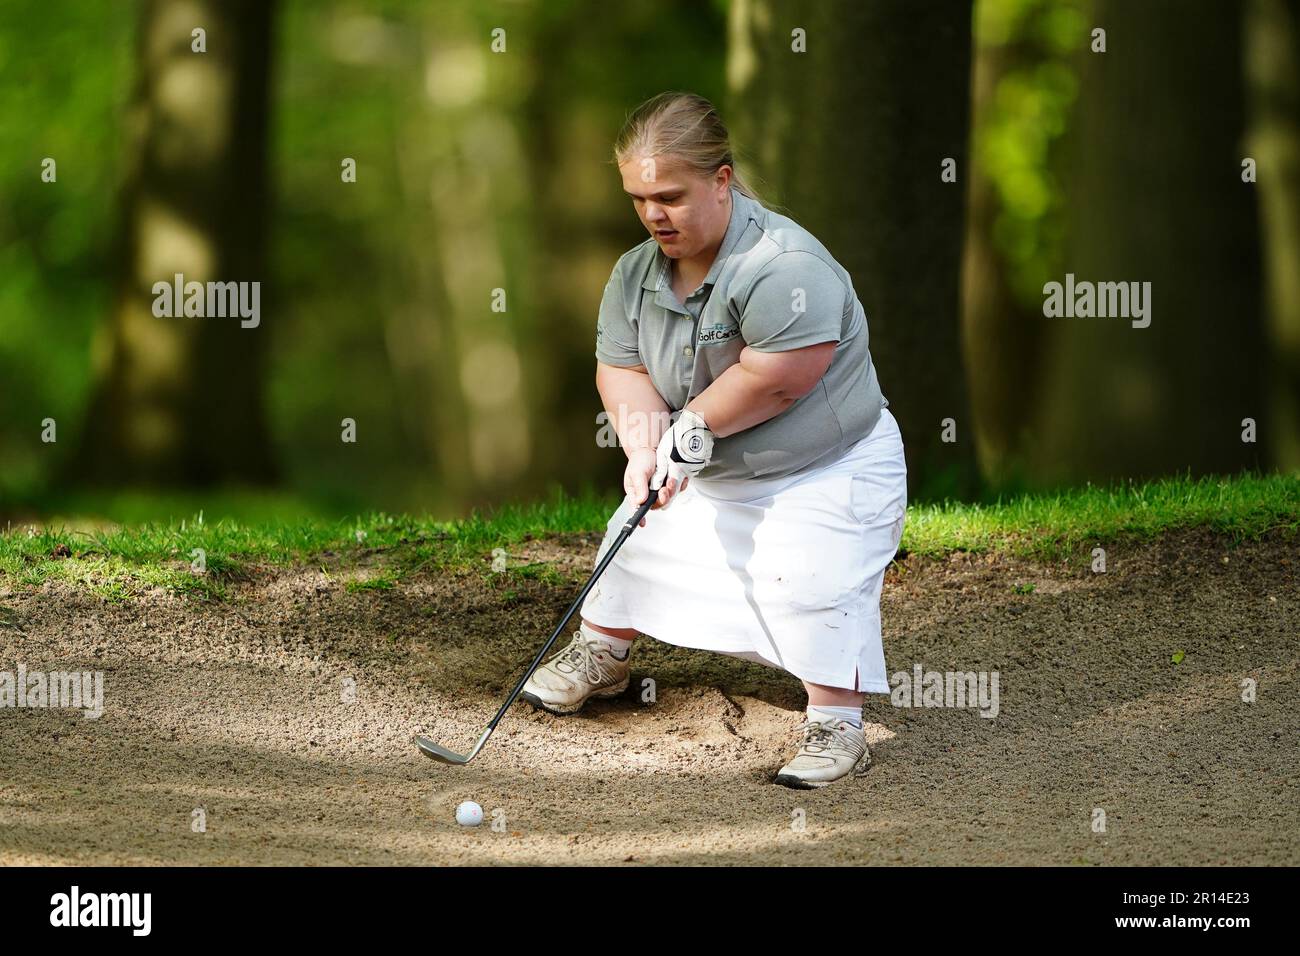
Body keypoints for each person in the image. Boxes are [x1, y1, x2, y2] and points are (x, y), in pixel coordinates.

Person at [521, 91, 907, 789]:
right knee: (632, 543)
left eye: (669, 195)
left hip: (824, 468)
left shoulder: (787, 266)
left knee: (816, 585)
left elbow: (779, 380)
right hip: (716, 464)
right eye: (637, 197)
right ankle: (603, 659)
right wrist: (646, 447)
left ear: (722, 180)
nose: (651, 214)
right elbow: (623, 365)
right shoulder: (634, 274)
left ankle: (836, 724)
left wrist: (689, 428)